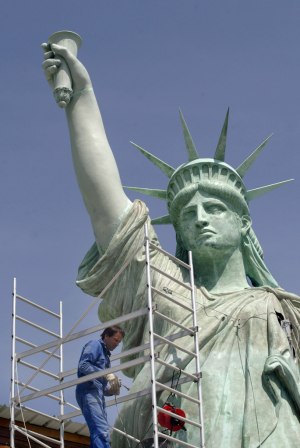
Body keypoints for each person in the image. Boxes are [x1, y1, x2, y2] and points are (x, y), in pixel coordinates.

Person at [42, 39, 300, 447]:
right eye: (187, 215)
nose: (199, 218)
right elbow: (108, 213)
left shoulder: (284, 309)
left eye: (214, 208)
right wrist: (82, 102)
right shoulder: (172, 296)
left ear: (244, 221)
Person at [75, 326, 124, 447]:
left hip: (96, 393)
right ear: (106, 336)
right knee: (101, 430)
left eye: (119, 342)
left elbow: (102, 386)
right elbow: (83, 365)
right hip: (88, 390)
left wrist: (112, 389)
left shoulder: (106, 357)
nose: (117, 344)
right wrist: (105, 373)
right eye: (115, 339)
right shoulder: (95, 345)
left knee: (100, 430)